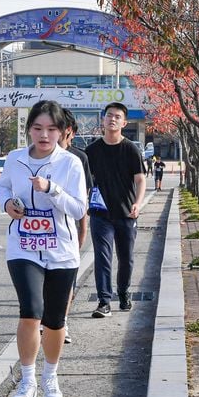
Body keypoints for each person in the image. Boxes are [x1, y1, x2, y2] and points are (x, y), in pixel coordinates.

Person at [0, 100, 87, 397]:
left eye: (51, 129)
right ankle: (27, 380)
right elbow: (4, 190)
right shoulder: (15, 159)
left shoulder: (70, 164)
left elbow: (79, 208)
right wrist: (9, 205)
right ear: (29, 130)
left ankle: (50, 376)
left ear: (63, 132)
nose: (44, 135)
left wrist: (52, 189)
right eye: (37, 128)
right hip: (23, 246)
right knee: (30, 311)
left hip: (61, 250)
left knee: (54, 319)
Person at [84, 102, 146, 317]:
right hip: (100, 214)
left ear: (124, 122)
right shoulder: (91, 150)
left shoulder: (130, 149)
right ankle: (104, 301)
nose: (112, 119)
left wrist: (137, 203)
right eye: (109, 115)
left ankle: (124, 291)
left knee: (126, 257)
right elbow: (83, 180)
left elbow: (140, 179)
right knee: (103, 257)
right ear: (103, 119)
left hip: (127, 213)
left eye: (117, 116)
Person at [57, 108, 92, 344]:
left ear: (68, 131)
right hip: (38, 234)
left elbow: (83, 201)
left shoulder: (79, 158)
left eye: (55, 128)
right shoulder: (33, 156)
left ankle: (61, 322)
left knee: (66, 281)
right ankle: (45, 321)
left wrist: (82, 232)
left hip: (68, 230)